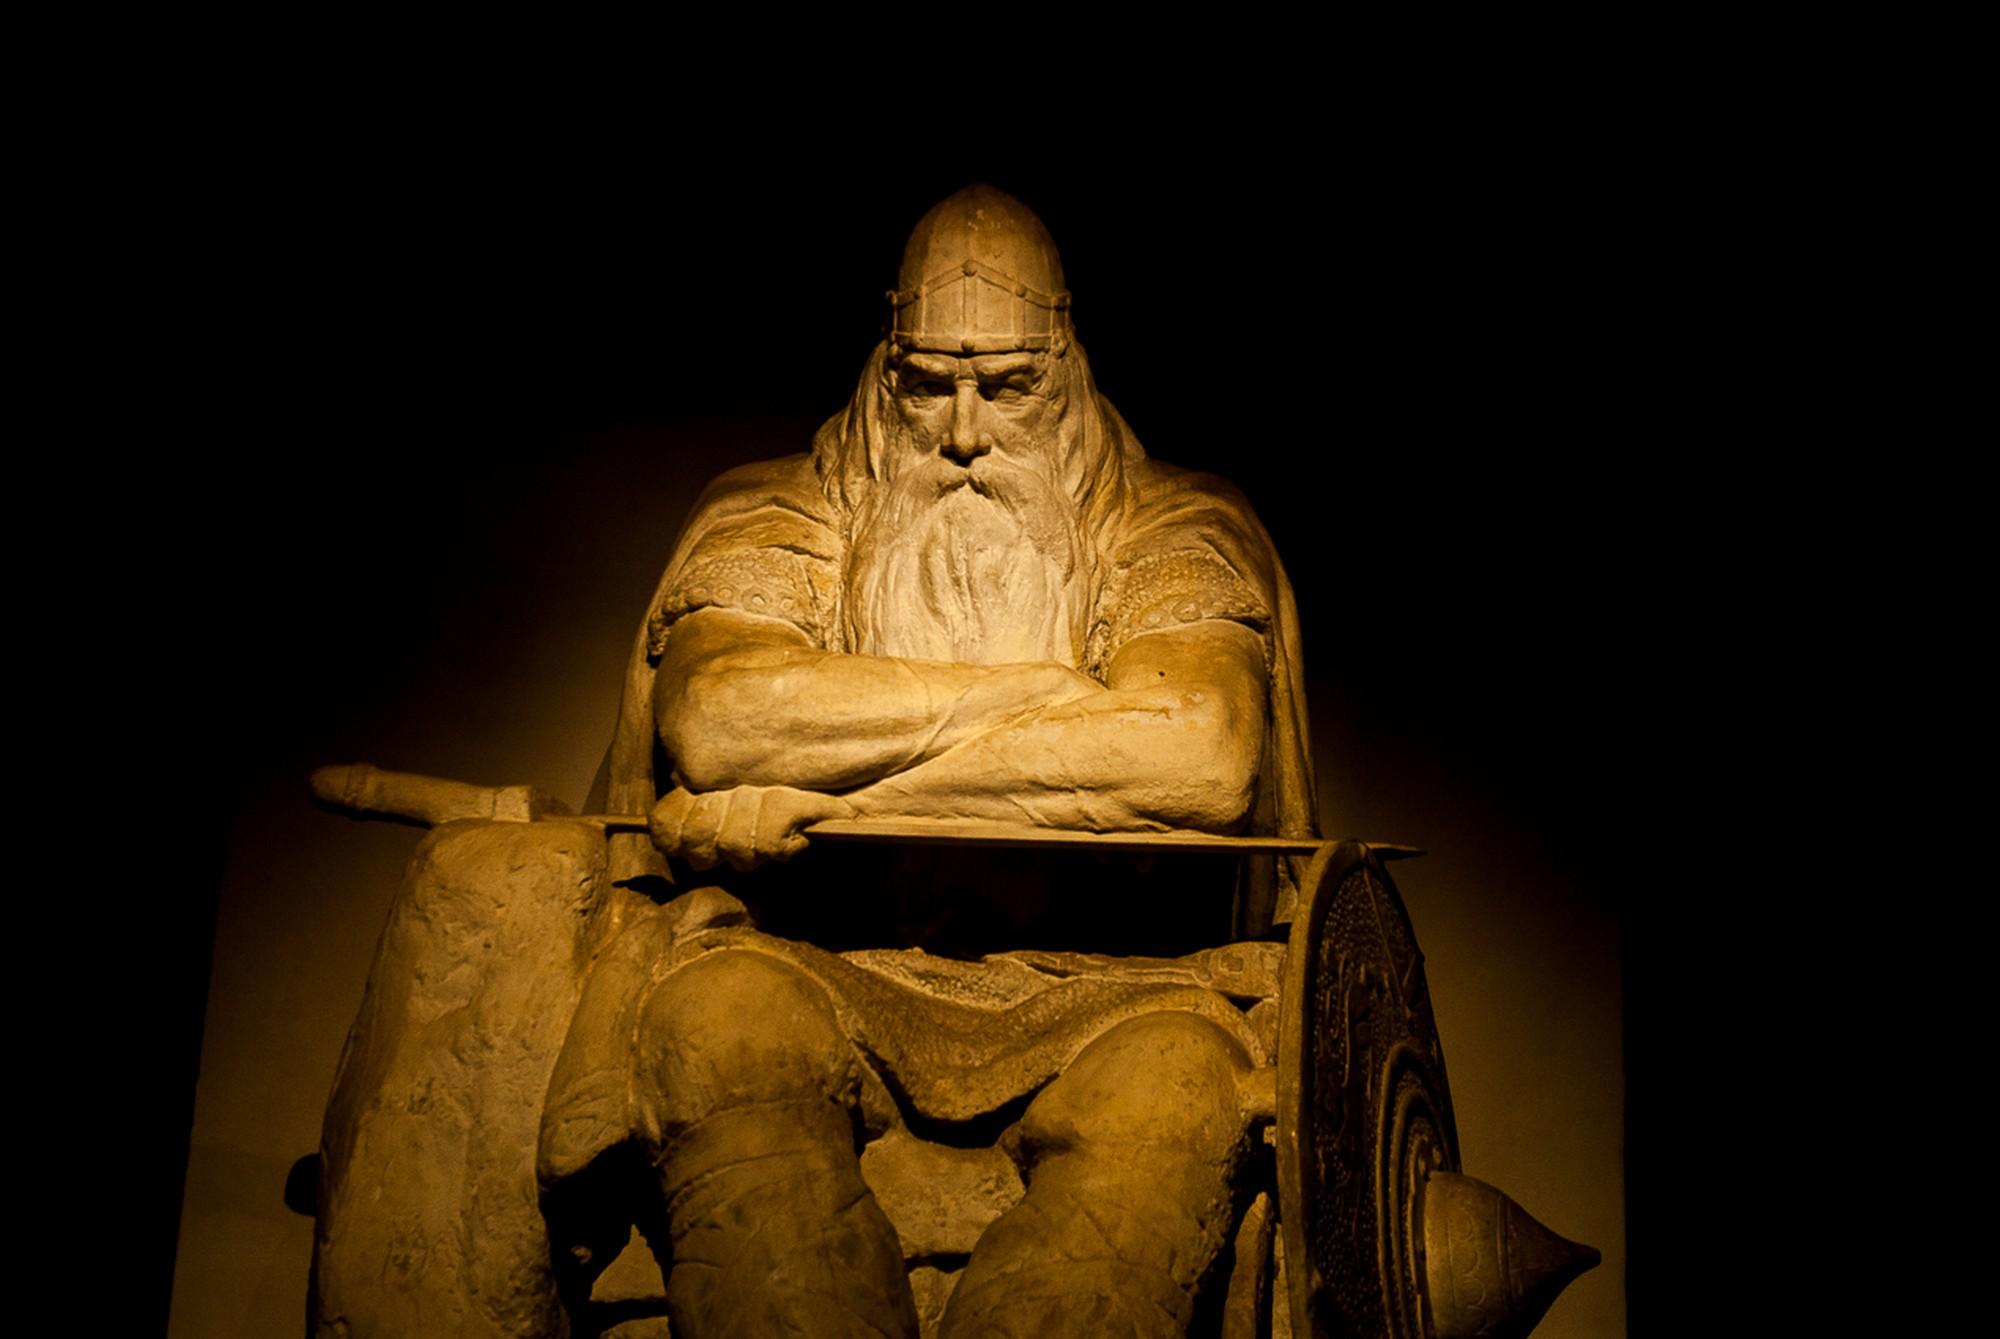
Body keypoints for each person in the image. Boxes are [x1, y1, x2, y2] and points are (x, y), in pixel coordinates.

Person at [526, 185, 1320, 1339]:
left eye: (1007, 387)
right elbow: (721, 722)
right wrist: (1050, 701)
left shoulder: (1168, 529)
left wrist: (836, 781)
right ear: (885, 359)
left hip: (1119, 990)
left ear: (1065, 361)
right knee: (717, 1027)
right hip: (815, 962)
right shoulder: (778, 514)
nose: (960, 433)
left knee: (1175, 1095)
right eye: (926, 384)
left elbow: (1193, 755)